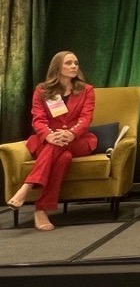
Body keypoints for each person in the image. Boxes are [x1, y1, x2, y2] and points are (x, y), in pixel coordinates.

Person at [8, 50, 97, 231]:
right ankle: (41, 210)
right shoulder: (43, 90)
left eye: (76, 63)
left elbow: (86, 118)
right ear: (57, 67)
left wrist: (71, 133)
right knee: (63, 157)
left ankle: (26, 187)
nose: (74, 66)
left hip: (77, 140)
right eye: (69, 63)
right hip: (48, 139)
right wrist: (49, 135)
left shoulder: (86, 90)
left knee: (59, 146)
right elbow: (38, 119)